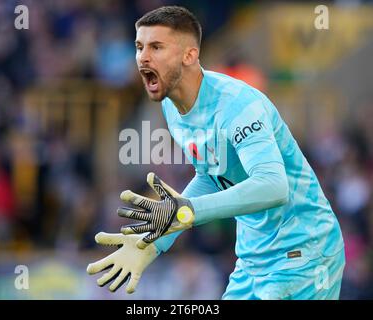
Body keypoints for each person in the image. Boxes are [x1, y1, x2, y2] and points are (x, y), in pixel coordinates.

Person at [87, 6, 345, 300]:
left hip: (304, 255)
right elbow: (212, 176)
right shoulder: (172, 107)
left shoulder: (238, 106)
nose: (143, 57)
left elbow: (273, 186)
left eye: (156, 47)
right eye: (139, 47)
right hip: (253, 259)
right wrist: (157, 241)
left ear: (189, 55)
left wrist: (188, 212)